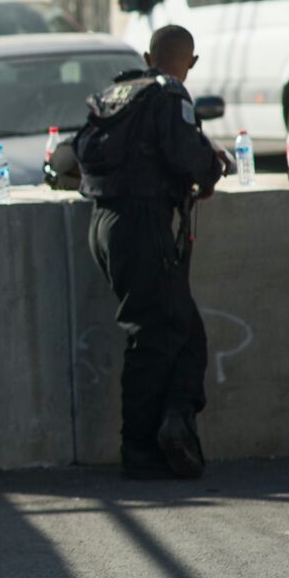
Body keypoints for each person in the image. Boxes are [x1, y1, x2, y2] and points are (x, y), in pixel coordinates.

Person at [78, 24, 224, 480]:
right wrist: (209, 173)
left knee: (177, 330)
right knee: (154, 336)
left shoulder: (119, 91)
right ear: (192, 63)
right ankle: (142, 449)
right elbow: (188, 157)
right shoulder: (171, 94)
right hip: (142, 225)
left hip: (104, 224)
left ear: (147, 55)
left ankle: (172, 424)